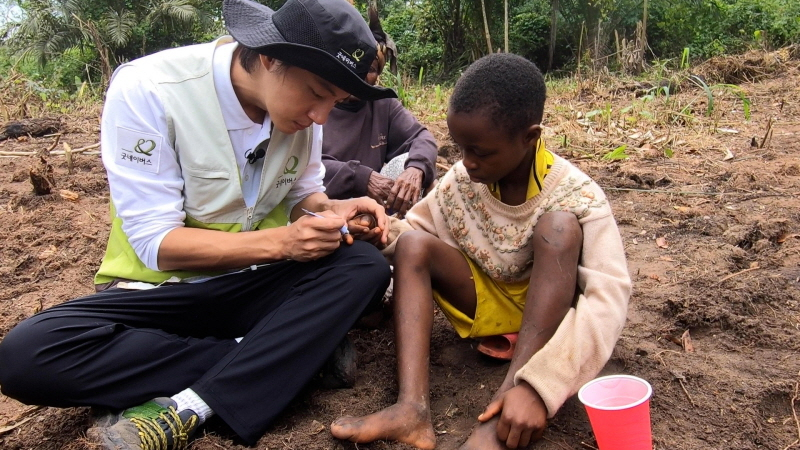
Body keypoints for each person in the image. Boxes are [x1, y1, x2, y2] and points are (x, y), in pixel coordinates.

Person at [0, 0, 396, 449]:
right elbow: (156, 242)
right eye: (317, 93)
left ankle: (207, 387)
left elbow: (303, 197)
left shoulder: (303, 114)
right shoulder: (150, 89)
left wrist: (331, 213)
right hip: (158, 294)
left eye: (335, 102)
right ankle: (282, 358)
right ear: (271, 58)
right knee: (26, 355)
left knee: (364, 266)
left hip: (247, 288)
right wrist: (285, 244)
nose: (321, 116)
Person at [329, 53, 632, 450]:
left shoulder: (577, 195)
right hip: (487, 304)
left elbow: (608, 298)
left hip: (549, 318)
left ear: (530, 137)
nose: (467, 163)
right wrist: (379, 231)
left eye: (481, 152)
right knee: (413, 245)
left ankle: (509, 401)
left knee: (558, 228)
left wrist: (540, 386)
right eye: (460, 149)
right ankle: (411, 409)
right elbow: (417, 231)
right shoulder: (465, 179)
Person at [321, 5, 438, 217]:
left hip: (373, 209)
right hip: (322, 206)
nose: (362, 75)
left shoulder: (383, 105)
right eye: (357, 64)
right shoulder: (318, 103)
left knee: (418, 170)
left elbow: (421, 138)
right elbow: (308, 168)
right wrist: (361, 177)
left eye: (371, 69)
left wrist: (416, 169)